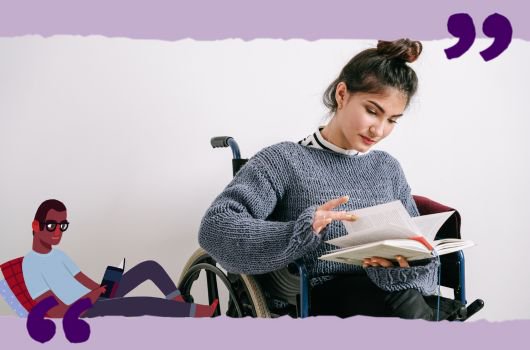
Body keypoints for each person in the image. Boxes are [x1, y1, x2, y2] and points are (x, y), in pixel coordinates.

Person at [199, 39, 443, 320]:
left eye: (392, 120)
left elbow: (418, 250)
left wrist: (405, 264)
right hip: (316, 295)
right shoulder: (284, 160)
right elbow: (215, 227)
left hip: (391, 295)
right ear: (342, 94)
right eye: (372, 111)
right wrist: (301, 231)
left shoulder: (387, 167)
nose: (379, 129)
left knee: (406, 301)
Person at [23, 199, 218, 318]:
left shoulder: (58, 255)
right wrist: (87, 301)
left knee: (149, 267)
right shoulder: (31, 265)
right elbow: (53, 311)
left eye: (62, 226)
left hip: (93, 300)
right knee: (143, 303)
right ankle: (197, 312)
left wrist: (100, 290)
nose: (58, 232)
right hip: (78, 312)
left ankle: (180, 306)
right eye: (51, 226)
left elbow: (81, 279)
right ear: (35, 225)